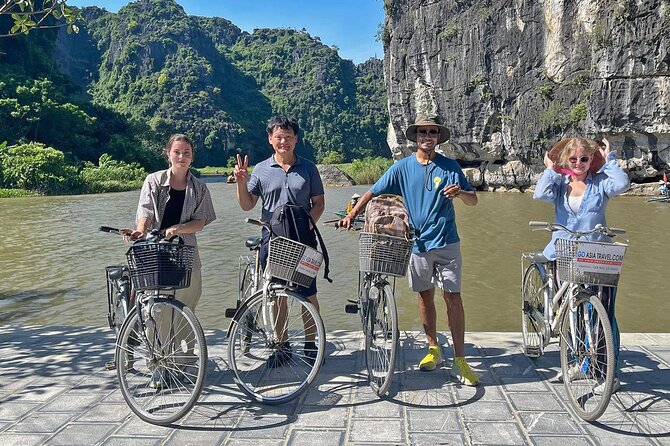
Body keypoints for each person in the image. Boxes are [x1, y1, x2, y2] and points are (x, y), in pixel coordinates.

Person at [340, 115, 481, 386]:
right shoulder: (402, 168)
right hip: (417, 243)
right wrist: (352, 214)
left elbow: (473, 200)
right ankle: (433, 349)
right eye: (422, 132)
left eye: (432, 132)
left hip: (447, 242)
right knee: (424, 296)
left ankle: (460, 360)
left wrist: (461, 194)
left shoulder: (450, 167)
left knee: (453, 297)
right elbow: (373, 192)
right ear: (415, 137)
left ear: (438, 137)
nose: (427, 136)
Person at [533, 136, 630, 393]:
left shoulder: (600, 183)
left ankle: (608, 374)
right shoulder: (560, 183)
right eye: (572, 159)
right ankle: (581, 364)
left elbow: (622, 184)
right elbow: (540, 194)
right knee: (572, 311)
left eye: (584, 159)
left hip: (596, 253)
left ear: (591, 160)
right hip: (562, 252)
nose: (578, 163)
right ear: (566, 160)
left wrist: (609, 159)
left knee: (602, 313)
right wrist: (551, 169)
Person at [123, 133, 217, 387]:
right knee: (157, 310)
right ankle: (158, 365)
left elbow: (202, 221)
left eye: (187, 152)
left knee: (186, 308)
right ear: (168, 154)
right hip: (155, 255)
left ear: (192, 156)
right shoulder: (153, 181)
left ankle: (182, 359)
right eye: (177, 152)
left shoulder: (199, 187)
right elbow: (144, 213)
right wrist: (140, 231)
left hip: (185, 254)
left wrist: (177, 229)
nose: (182, 157)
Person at [234, 115, 326, 367]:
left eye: (288, 137)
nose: (283, 141)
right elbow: (247, 205)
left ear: (296, 140)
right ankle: (282, 345)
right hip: (273, 240)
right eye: (278, 137)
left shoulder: (308, 168)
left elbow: (318, 203)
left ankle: (310, 345)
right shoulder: (262, 170)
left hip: (303, 239)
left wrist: (306, 226)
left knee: (308, 293)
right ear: (270, 139)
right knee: (278, 294)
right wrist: (241, 183)